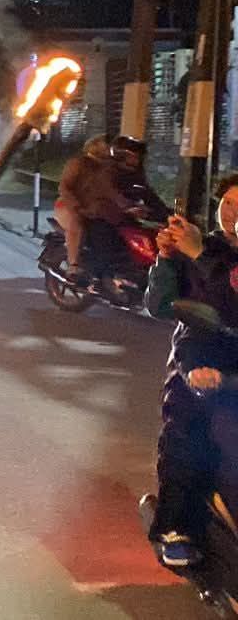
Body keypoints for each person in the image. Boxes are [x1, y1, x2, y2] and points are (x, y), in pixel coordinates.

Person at [143, 174, 238, 568]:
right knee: (188, 431)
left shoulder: (202, 249)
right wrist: (167, 259)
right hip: (201, 358)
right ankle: (176, 527)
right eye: (228, 203)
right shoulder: (204, 247)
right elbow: (160, 305)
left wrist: (197, 252)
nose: (232, 212)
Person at [58, 135, 137, 281]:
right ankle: (73, 264)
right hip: (69, 206)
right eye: (105, 145)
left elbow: (110, 191)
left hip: (94, 209)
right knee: (77, 224)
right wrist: (76, 207)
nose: (109, 149)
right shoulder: (78, 164)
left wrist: (128, 206)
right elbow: (65, 187)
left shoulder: (106, 168)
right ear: (94, 147)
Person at [113, 135, 172, 223]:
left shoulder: (137, 181)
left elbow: (159, 208)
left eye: (138, 157)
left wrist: (146, 214)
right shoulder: (104, 178)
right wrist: (125, 213)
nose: (135, 161)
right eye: (129, 155)